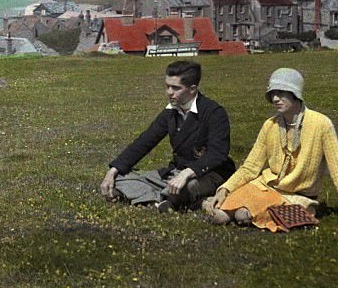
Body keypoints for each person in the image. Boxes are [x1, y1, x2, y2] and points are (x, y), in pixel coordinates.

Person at [205, 67, 338, 232]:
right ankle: (216, 203)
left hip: (297, 197)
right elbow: (250, 167)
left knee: (243, 215)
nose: (275, 99)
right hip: (265, 187)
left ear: (295, 94)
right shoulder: (270, 125)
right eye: (272, 94)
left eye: (281, 93)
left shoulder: (321, 124)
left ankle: (245, 210)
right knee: (219, 215)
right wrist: (225, 189)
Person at [99, 60, 236, 211]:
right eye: (167, 86)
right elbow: (145, 141)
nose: (169, 92)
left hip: (209, 173)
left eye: (176, 88)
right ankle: (168, 200)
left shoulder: (214, 112)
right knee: (120, 179)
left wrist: (186, 174)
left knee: (187, 186)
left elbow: (218, 154)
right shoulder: (171, 111)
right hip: (176, 174)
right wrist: (113, 170)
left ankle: (162, 199)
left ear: (192, 89)